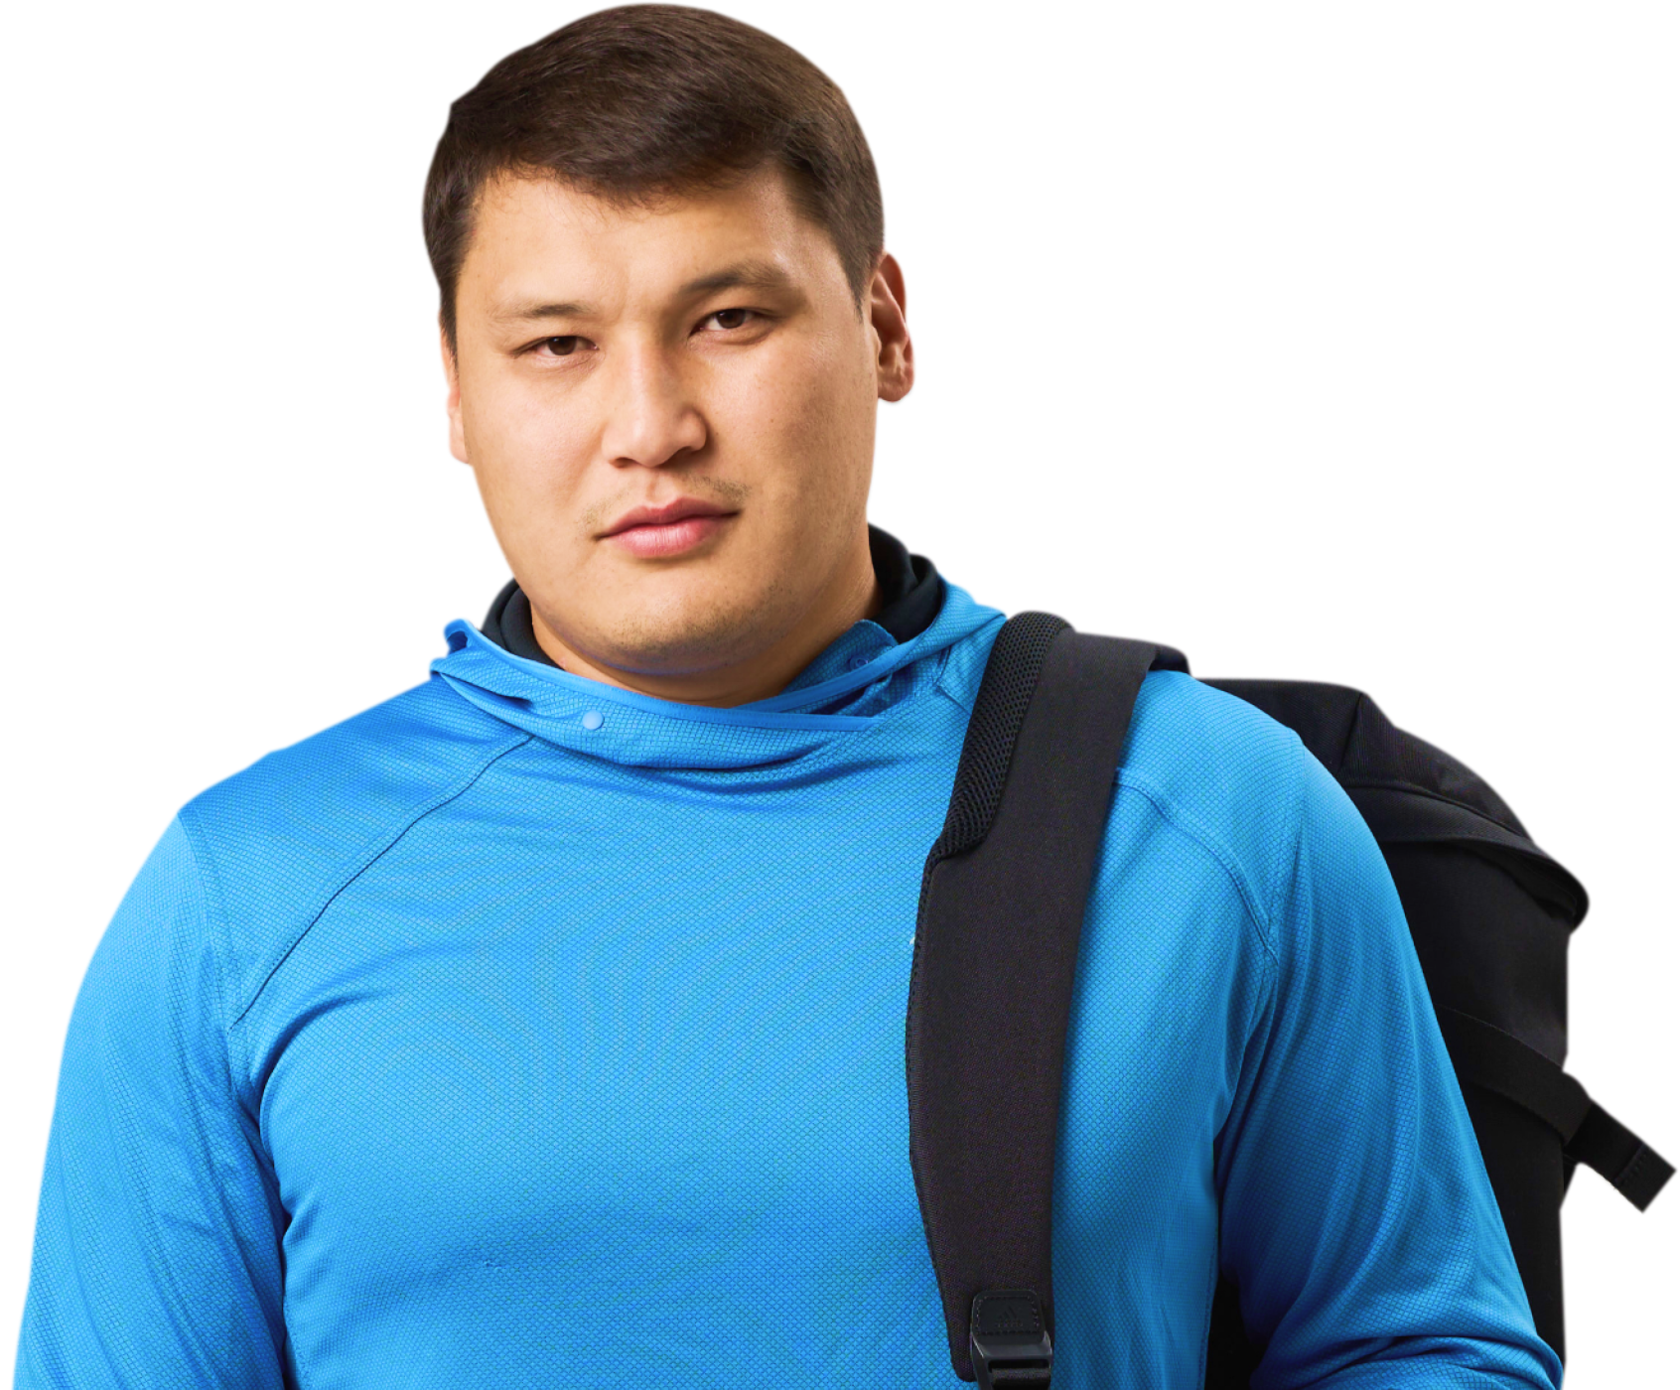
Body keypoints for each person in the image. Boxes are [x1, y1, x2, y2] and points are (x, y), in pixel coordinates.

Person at [10, 7, 1563, 1388]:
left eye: (729, 320)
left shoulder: (1216, 809)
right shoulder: (237, 892)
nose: (651, 424)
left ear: (885, 325)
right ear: (454, 391)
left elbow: (1423, 1343)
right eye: (556, 344)